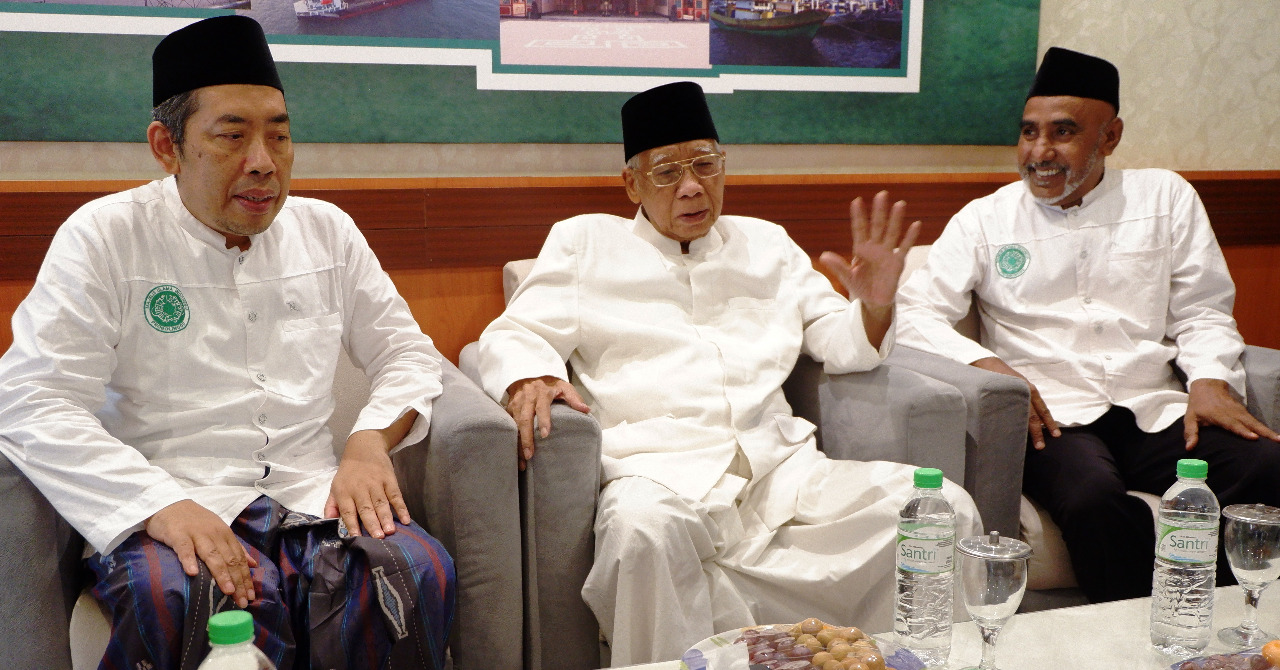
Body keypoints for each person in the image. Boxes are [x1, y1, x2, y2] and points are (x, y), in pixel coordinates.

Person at [0, 16, 455, 669]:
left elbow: (406, 352)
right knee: (182, 592)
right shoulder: (104, 236)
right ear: (167, 146)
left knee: (410, 569)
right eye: (232, 136)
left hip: (308, 494)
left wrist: (366, 443)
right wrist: (157, 504)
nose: (264, 163)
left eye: (280, 134)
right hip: (174, 490)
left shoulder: (326, 231)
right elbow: (30, 397)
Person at [474, 81, 981, 666]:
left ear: (722, 167)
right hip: (660, 475)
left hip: (780, 474)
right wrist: (528, 378)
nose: (691, 186)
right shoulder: (585, 244)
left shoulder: (767, 244)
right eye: (666, 172)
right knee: (641, 536)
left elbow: (839, 344)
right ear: (631, 184)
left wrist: (872, 306)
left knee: (939, 508)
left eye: (705, 165)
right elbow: (513, 333)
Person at [896, 46, 1280, 603]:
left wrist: (1210, 378)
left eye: (1063, 132)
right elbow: (914, 313)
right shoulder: (985, 219)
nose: (1039, 152)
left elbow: (1202, 308)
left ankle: (1217, 620)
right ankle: (1132, 633)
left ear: (1110, 136)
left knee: (1266, 465)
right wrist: (988, 364)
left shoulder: (1165, 197)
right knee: (1091, 497)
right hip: (1054, 418)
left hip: (1152, 403)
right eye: (1028, 133)